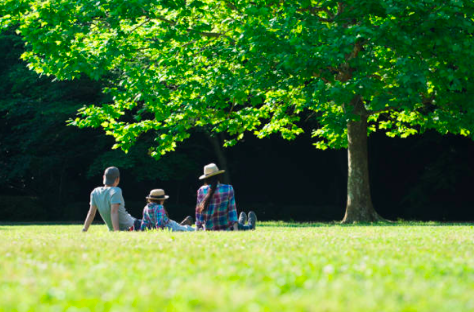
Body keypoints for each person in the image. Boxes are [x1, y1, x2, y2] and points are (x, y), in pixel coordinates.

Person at [195, 163, 257, 231]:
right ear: (218, 176)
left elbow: (199, 215)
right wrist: (236, 231)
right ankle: (250, 226)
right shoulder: (228, 188)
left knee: (239, 225)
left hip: (209, 229)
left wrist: (197, 229)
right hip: (226, 228)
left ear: (206, 178)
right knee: (242, 227)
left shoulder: (201, 191)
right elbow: (232, 211)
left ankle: (241, 221)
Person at [82, 166, 141, 232]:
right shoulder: (116, 191)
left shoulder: (95, 192)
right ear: (117, 179)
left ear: (104, 177)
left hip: (127, 226)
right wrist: (116, 231)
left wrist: (84, 230)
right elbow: (114, 212)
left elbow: (91, 214)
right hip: (132, 225)